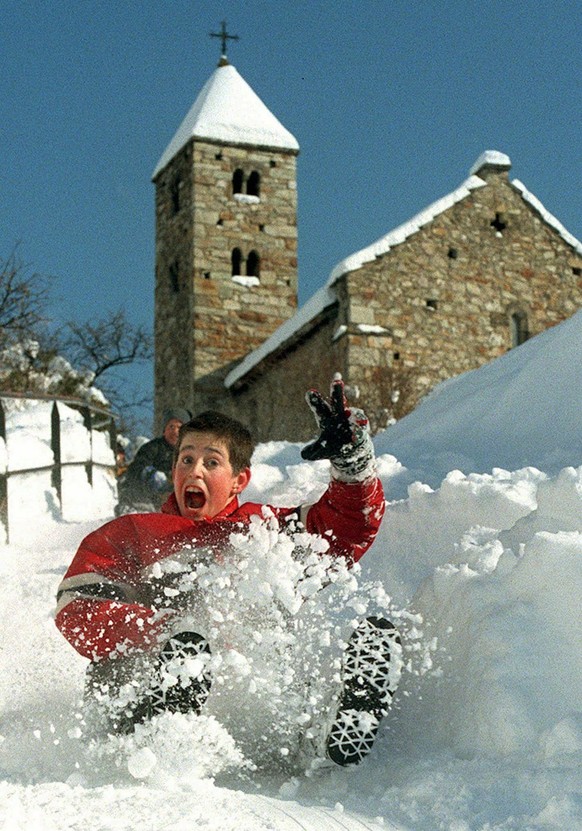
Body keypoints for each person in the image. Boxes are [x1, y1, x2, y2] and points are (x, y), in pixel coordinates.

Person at [55, 378, 400, 767]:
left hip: (250, 701)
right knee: (120, 671)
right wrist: (164, 630)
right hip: (147, 685)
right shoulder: (132, 533)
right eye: (186, 459)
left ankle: (330, 724)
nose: (195, 470)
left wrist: (353, 465)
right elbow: (79, 608)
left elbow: (345, 531)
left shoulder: (262, 532)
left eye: (211, 462)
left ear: (240, 480)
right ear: (172, 470)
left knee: (290, 661)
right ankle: (162, 727)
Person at [116, 407, 191, 514]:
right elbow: (136, 467)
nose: (175, 431)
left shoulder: (190, 454)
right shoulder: (153, 448)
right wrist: (150, 474)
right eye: (171, 426)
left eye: (179, 427)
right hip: (148, 498)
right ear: (164, 430)